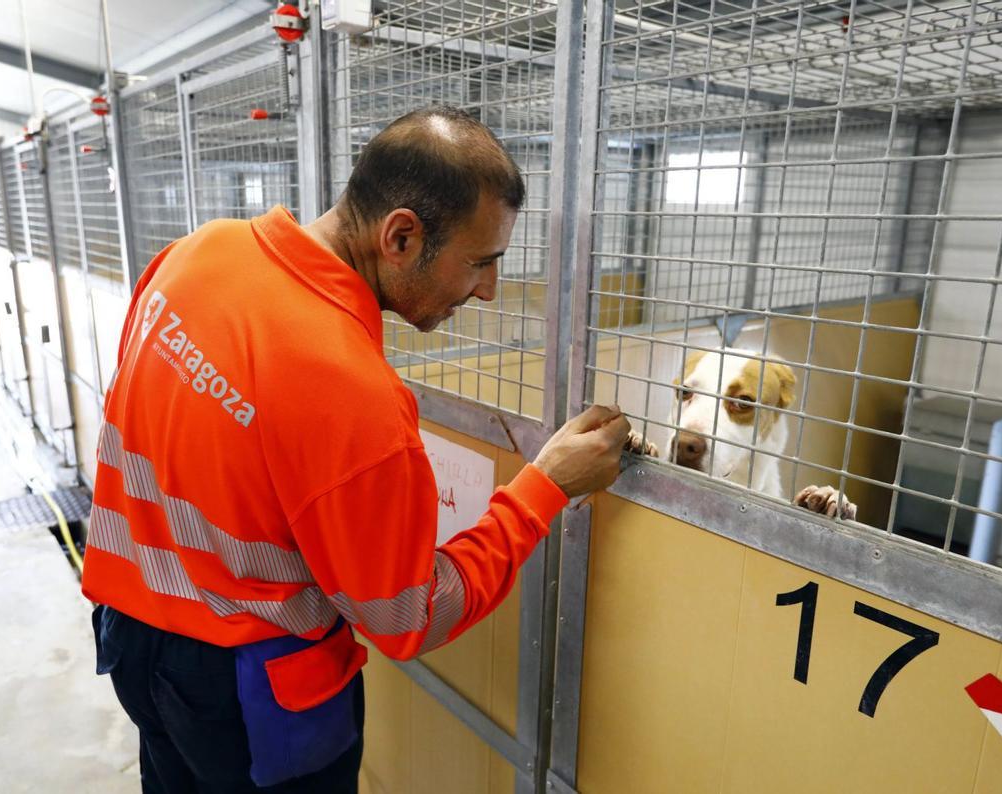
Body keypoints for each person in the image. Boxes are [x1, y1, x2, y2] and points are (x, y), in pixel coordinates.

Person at [83, 105, 631, 793]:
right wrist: (542, 488)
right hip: (245, 692)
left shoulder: (197, 253)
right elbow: (408, 616)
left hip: (131, 638)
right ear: (400, 236)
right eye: (480, 262)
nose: (488, 289)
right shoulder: (349, 392)